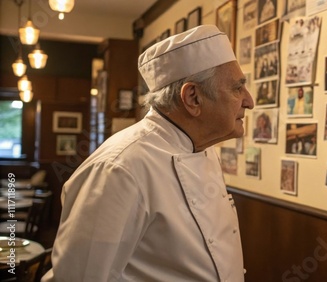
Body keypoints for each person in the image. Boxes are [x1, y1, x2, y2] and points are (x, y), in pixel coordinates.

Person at [42, 25, 254, 281]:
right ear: (193, 98)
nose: (249, 101)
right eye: (237, 88)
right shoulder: (119, 167)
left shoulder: (204, 149)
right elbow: (79, 277)